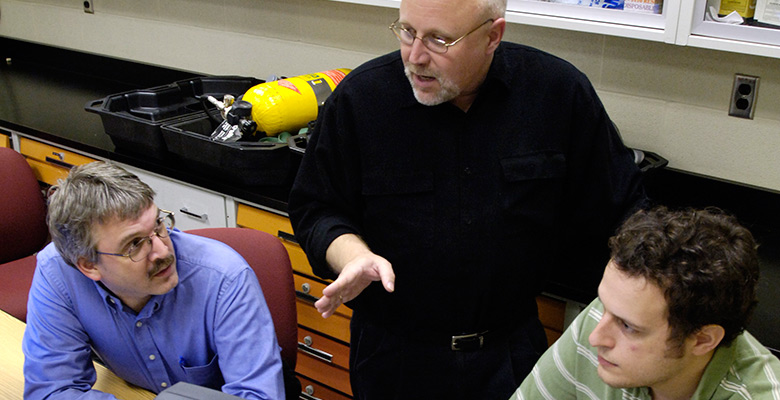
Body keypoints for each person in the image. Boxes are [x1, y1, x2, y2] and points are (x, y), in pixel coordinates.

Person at [287, 0, 647, 398]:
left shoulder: (557, 93)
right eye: (407, 31)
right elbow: (316, 207)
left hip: (511, 353)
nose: (416, 56)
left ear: (493, 35)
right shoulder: (363, 98)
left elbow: (626, 213)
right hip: (396, 357)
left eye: (439, 40)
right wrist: (352, 256)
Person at [23, 161, 285, 400]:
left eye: (159, 225)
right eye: (135, 244)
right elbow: (51, 391)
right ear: (89, 265)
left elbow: (258, 396)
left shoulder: (224, 278)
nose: (162, 252)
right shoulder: (58, 273)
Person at [513, 206, 780, 400]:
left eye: (629, 327)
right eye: (604, 305)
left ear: (702, 340)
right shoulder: (602, 319)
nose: (596, 337)